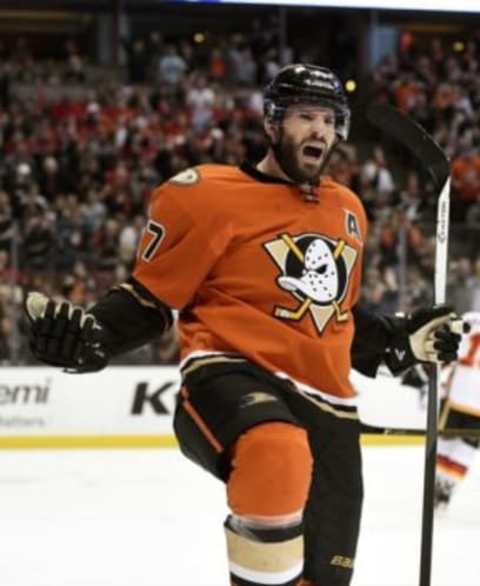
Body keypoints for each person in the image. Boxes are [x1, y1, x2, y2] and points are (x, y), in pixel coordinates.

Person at [25, 64, 464, 586]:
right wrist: (93, 336)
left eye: (328, 119)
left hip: (331, 407)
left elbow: (333, 319)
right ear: (273, 124)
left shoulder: (347, 210)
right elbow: (152, 297)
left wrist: (400, 342)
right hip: (233, 376)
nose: (319, 131)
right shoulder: (206, 194)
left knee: (322, 578)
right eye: (305, 116)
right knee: (275, 451)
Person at [435, 311, 480, 510]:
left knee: (446, 439)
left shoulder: (471, 317)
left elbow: (451, 349)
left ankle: (438, 485)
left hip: (458, 391)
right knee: (467, 446)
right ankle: (445, 490)